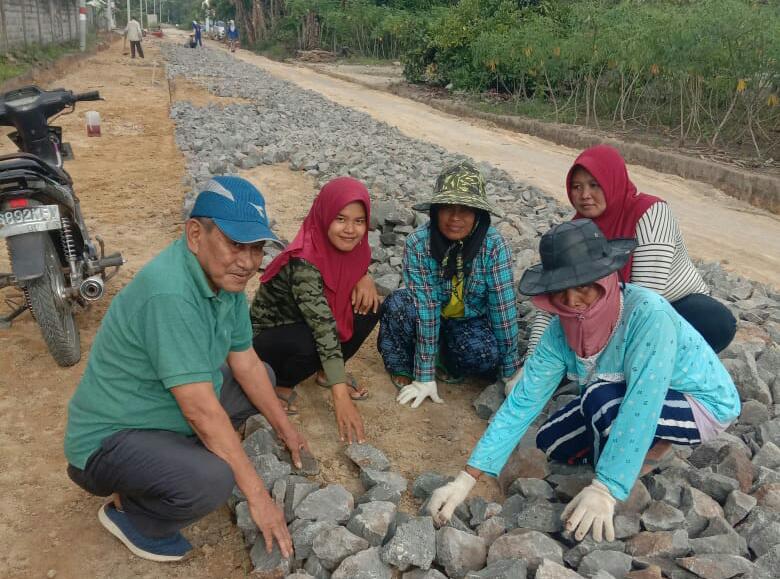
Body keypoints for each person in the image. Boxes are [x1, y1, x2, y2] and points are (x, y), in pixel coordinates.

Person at [428, 219, 740, 543]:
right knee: (552, 440)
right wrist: (466, 478)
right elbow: (522, 402)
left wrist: (605, 487)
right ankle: (623, 454)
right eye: (562, 290)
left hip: (697, 400)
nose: (573, 300)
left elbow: (641, 403)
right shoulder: (558, 333)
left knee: (602, 401)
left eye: (584, 286)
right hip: (616, 391)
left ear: (605, 278)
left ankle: (650, 452)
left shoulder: (648, 315)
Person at [64, 177, 308, 562]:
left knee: (264, 376)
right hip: (106, 443)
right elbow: (201, 411)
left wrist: (286, 430)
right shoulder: (171, 292)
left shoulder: (225, 281)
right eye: (235, 244)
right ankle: (132, 514)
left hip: (163, 409)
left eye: (256, 247)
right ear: (195, 234)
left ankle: (175, 456)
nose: (247, 262)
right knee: (213, 480)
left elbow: (243, 360)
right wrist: (259, 497)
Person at [526, 144, 736, 363]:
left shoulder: (650, 212)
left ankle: (660, 368)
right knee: (571, 321)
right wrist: (532, 360)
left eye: (594, 185)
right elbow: (555, 299)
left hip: (670, 304)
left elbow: (647, 296)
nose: (585, 195)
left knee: (714, 321)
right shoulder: (577, 229)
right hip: (605, 308)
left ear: (612, 182)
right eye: (577, 187)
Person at [377, 161, 521, 408]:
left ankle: (443, 356)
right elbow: (426, 307)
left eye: (465, 209)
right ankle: (407, 364)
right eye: (447, 208)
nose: (455, 218)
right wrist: (424, 376)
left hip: (468, 318)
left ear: (478, 214)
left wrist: (510, 371)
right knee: (397, 305)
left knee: (485, 355)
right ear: (435, 210)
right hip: (428, 311)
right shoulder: (418, 243)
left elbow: (502, 310)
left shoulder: (494, 247)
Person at [251, 177, 379, 444]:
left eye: (359, 221)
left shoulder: (357, 250)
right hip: (270, 337)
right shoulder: (305, 262)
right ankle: (282, 383)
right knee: (312, 338)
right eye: (340, 219)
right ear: (324, 216)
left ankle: (325, 372)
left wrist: (363, 276)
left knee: (369, 306)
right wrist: (340, 396)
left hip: (308, 326)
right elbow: (323, 328)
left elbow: (347, 273)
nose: (350, 230)